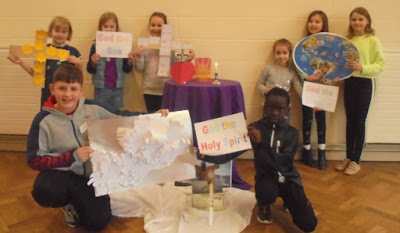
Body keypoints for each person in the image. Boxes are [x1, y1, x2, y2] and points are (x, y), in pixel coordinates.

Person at [26, 64, 168, 231]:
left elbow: (124, 116)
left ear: (81, 90)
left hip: (91, 177)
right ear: (52, 89)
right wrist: (72, 157)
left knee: (97, 222)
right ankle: (66, 203)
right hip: (62, 174)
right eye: (62, 88)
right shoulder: (43, 120)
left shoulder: (94, 108)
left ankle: (80, 200)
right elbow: (34, 160)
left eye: (73, 88)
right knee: (46, 190)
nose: (68, 94)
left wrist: (154, 115)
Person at [247, 87, 317, 232]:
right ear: (264, 107)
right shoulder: (254, 128)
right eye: (270, 108)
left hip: (289, 179)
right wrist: (207, 154)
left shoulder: (292, 133)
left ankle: (289, 199)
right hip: (266, 177)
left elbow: (283, 163)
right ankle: (264, 206)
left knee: (309, 225)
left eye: (280, 109)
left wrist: (263, 143)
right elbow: (232, 149)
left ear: (288, 110)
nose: (274, 113)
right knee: (266, 190)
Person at [335, 7, 385, 175]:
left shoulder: (372, 40)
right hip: (349, 84)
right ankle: (348, 157)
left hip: (364, 84)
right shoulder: (347, 41)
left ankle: (357, 160)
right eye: (354, 19)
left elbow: (380, 65)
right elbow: (343, 64)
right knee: (350, 121)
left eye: (360, 19)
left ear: (367, 21)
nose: (357, 22)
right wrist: (338, 77)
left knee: (359, 121)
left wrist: (362, 67)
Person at [8, 16, 82, 107]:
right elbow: (35, 73)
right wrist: (20, 62)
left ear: (69, 33)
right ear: (50, 32)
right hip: (48, 94)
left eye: (64, 31)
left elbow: (80, 76)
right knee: (46, 118)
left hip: (67, 95)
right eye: (57, 30)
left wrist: (79, 63)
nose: (60, 34)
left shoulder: (73, 52)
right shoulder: (43, 51)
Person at [134, 12, 195, 112]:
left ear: (166, 28)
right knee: (153, 118)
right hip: (150, 90)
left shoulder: (171, 46)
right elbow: (139, 68)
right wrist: (139, 55)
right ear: (149, 27)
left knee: (167, 118)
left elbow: (176, 66)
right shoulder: (144, 46)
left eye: (160, 25)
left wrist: (187, 59)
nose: (156, 28)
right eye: (153, 25)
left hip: (168, 89)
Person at [297, 10, 331, 170]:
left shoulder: (330, 45)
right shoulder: (302, 45)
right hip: (307, 88)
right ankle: (307, 152)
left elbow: (334, 66)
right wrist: (306, 77)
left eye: (317, 21)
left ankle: (322, 153)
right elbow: (297, 64)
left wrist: (328, 79)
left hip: (323, 89)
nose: (313, 24)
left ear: (323, 24)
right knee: (307, 120)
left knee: (321, 120)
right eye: (311, 21)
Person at [87, 12, 134, 110]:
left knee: (116, 113)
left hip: (117, 87)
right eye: (105, 26)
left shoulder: (122, 46)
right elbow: (89, 69)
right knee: (100, 111)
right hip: (101, 87)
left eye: (112, 27)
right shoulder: (96, 47)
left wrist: (130, 62)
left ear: (116, 28)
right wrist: (93, 63)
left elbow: (126, 69)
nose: (108, 30)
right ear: (100, 28)